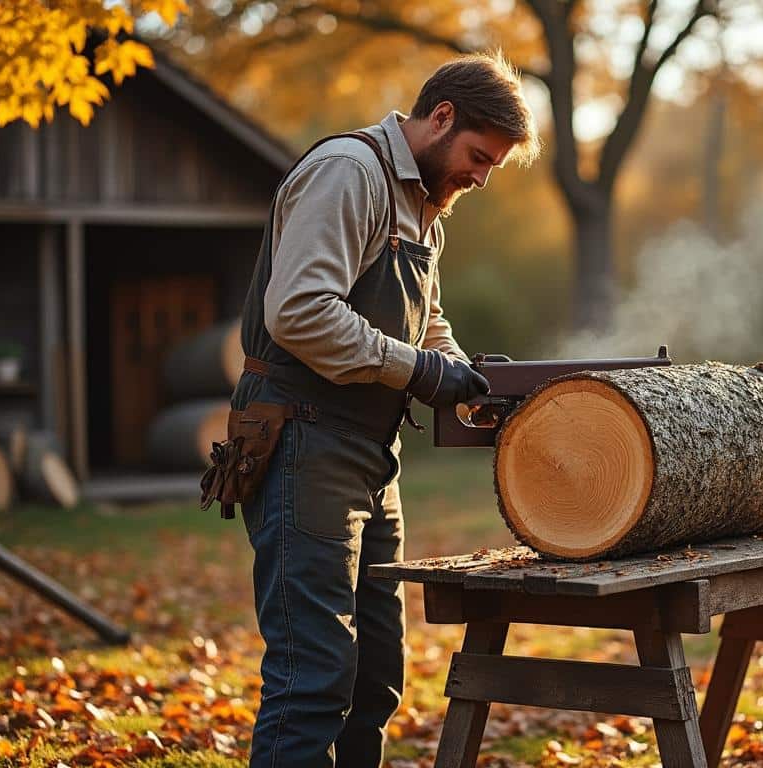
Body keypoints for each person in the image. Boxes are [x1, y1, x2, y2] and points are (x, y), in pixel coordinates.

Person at [229, 52, 540, 768]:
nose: (482, 178)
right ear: (441, 117)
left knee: (375, 677)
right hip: (301, 435)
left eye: (492, 166)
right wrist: (423, 371)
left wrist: (467, 375)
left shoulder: (428, 208)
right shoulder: (351, 172)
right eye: (478, 157)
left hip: (370, 452)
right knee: (313, 677)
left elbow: (426, 325)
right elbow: (300, 313)